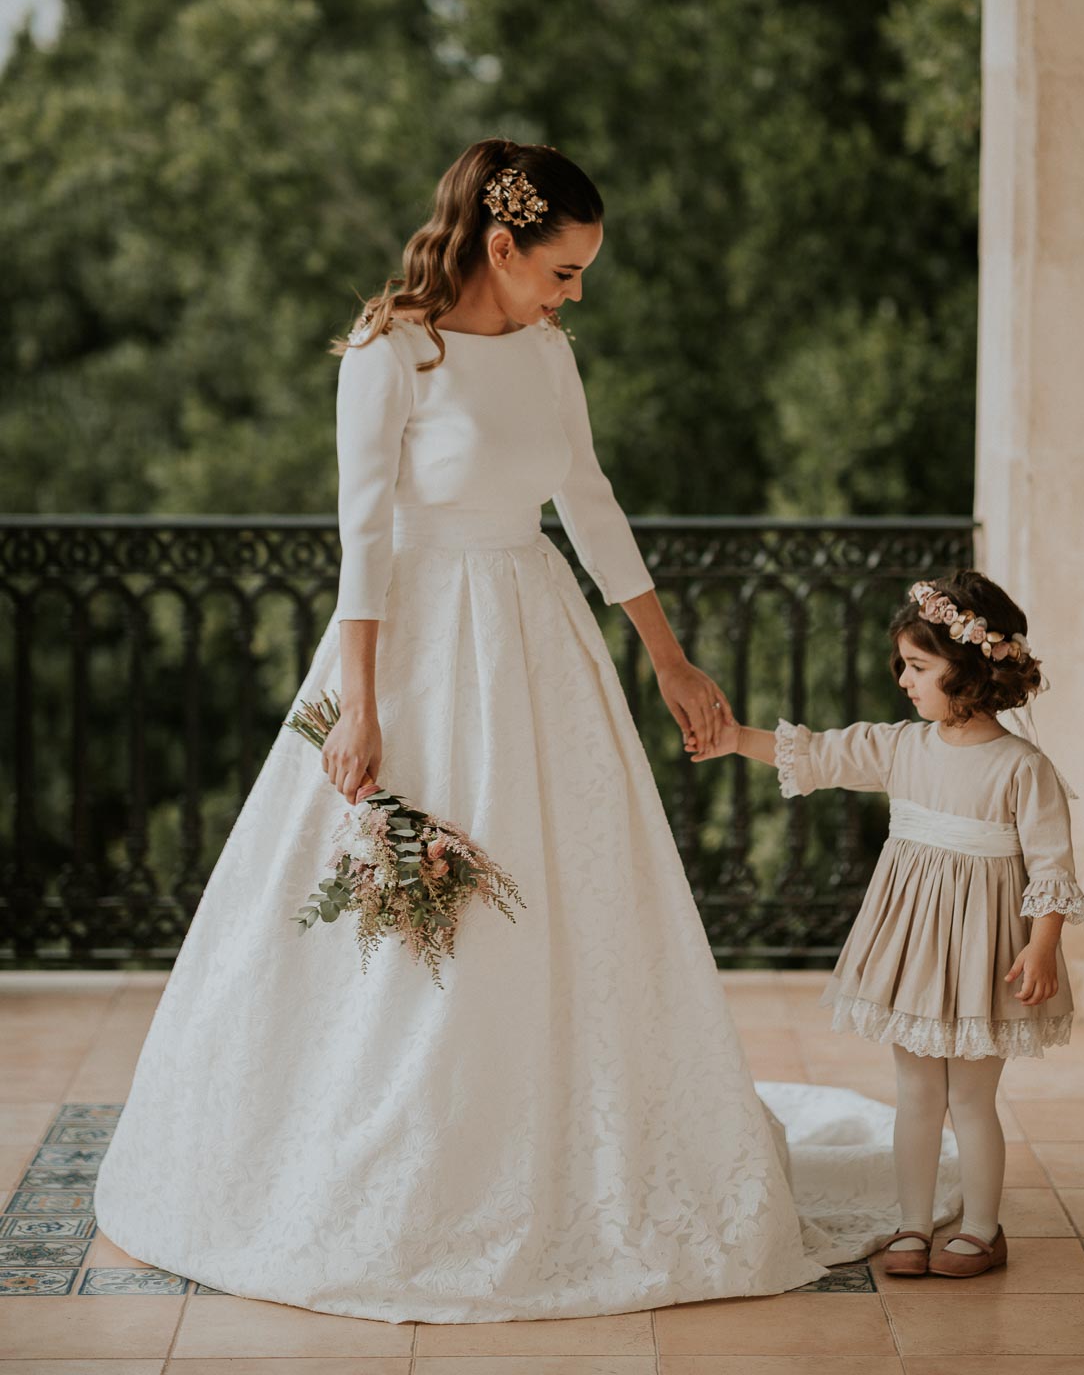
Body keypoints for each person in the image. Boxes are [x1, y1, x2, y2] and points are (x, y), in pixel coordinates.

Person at [94, 138, 839, 1323]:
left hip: (538, 634)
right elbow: (364, 537)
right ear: (502, 247)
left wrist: (669, 655)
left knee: (565, 888)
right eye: (564, 270)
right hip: (419, 648)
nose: (574, 293)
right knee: (405, 907)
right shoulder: (392, 353)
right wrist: (365, 705)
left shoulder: (548, 354)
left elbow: (587, 501)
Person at [688, 569, 1084, 1280]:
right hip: (913, 949)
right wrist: (731, 739)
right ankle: (909, 1223)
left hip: (982, 952)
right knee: (914, 1090)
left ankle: (981, 1229)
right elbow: (818, 753)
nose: (902, 679)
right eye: (902, 664)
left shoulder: (1023, 768)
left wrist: (1043, 944)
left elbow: (1052, 865)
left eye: (917, 666)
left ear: (967, 670)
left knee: (969, 1094)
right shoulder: (901, 746)